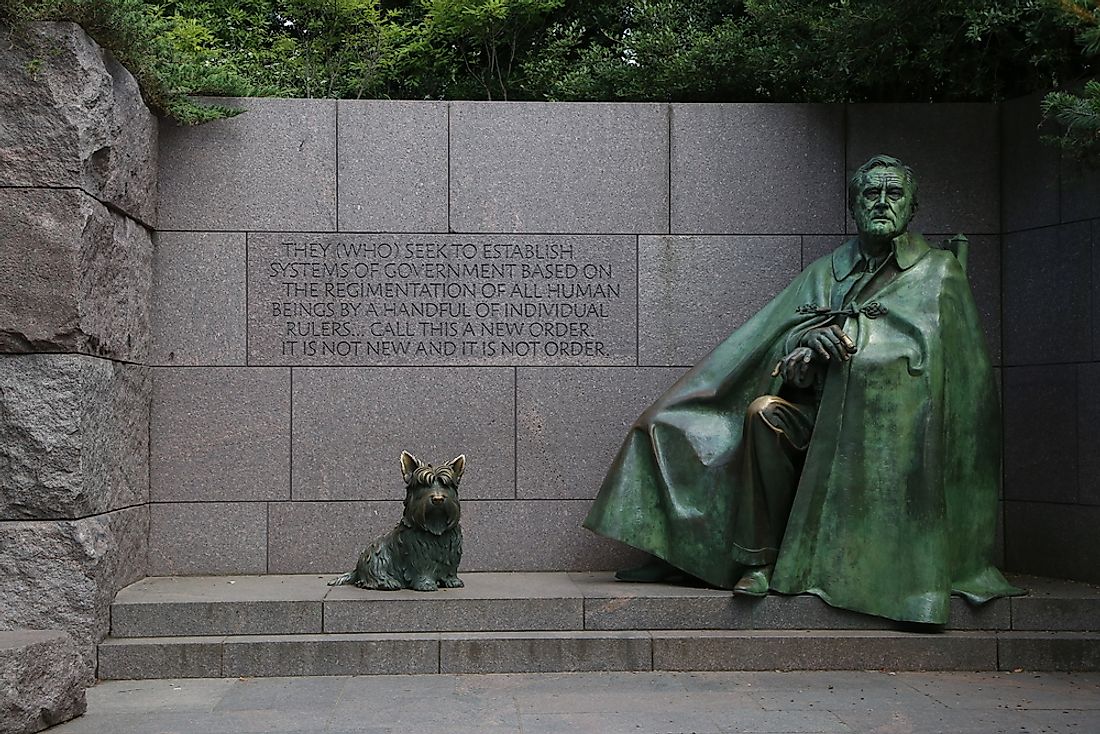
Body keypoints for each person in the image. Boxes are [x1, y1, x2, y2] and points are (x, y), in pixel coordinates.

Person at [583, 155, 1022, 625]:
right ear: (854, 205)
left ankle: (766, 561)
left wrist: (854, 341)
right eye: (870, 193)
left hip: (881, 432)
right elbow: (778, 337)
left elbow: (937, 365)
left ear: (912, 207)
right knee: (712, 418)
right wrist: (803, 347)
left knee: (762, 414)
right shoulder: (828, 269)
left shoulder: (938, 272)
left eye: (893, 194)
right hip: (814, 414)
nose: (881, 202)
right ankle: (724, 557)